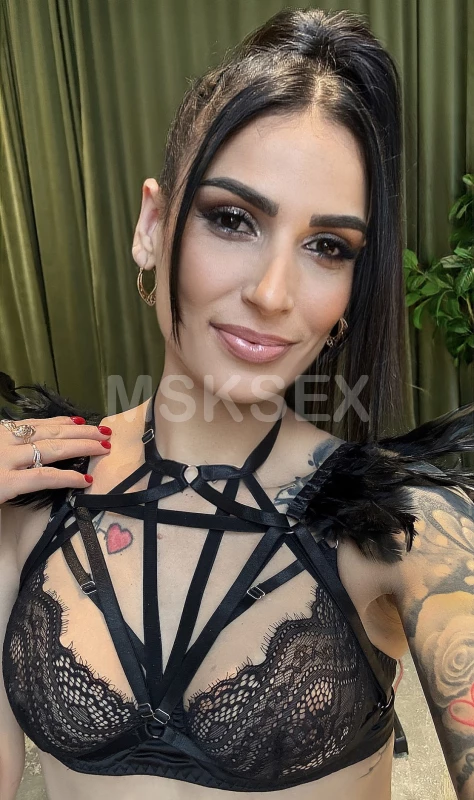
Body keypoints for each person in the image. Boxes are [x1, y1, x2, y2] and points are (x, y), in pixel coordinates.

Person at [0, 7, 473, 800]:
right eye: (232, 219)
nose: (273, 293)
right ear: (153, 226)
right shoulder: (31, 496)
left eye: (328, 247)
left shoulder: (408, 528)